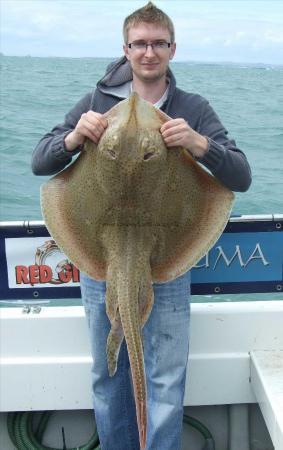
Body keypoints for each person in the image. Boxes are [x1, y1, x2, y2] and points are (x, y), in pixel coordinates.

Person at [32, 2, 251, 449]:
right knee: (107, 373)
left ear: (172, 49)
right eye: (140, 44)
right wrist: (74, 137)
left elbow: (240, 177)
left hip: (164, 258)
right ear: (125, 49)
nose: (148, 52)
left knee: (165, 379)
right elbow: (40, 161)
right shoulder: (95, 104)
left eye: (158, 44)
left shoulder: (193, 107)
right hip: (102, 261)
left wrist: (198, 143)